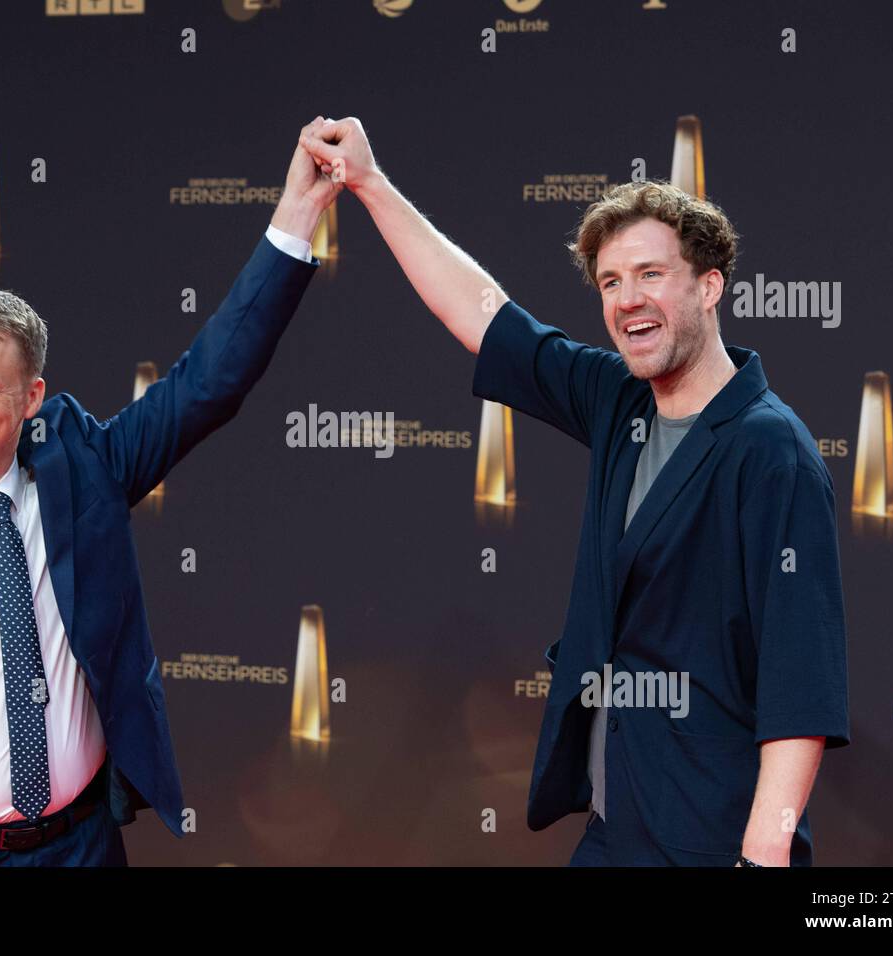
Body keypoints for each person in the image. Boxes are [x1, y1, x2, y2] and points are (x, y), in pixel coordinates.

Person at [0, 119, 342, 866]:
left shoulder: (85, 473)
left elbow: (209, 383)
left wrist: (298, 215)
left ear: (31, 399)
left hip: (82, 846)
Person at [300, 118, 849, 866]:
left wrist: (764, 850)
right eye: (611, 282)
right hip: (615, 824)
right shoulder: (618, 399)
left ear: (710, 285)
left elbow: (802, 681)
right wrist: (369, 184)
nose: (628, 300)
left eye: (651, 274)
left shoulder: (771, 451)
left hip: (714, 841)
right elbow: (486, 316)